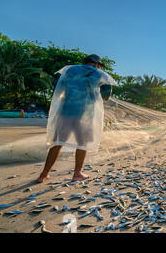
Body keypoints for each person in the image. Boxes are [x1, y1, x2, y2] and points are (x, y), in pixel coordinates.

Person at [36, 54, 117, 183]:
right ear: (97, 64)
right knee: (82, 144)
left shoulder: (69, 70)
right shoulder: (100, 75)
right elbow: (106, 95)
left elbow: (58, 89)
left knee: (57, 143)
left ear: (85, 62)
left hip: (66, 112)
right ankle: (77, 173)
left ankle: (44, 174)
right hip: (85, 114)